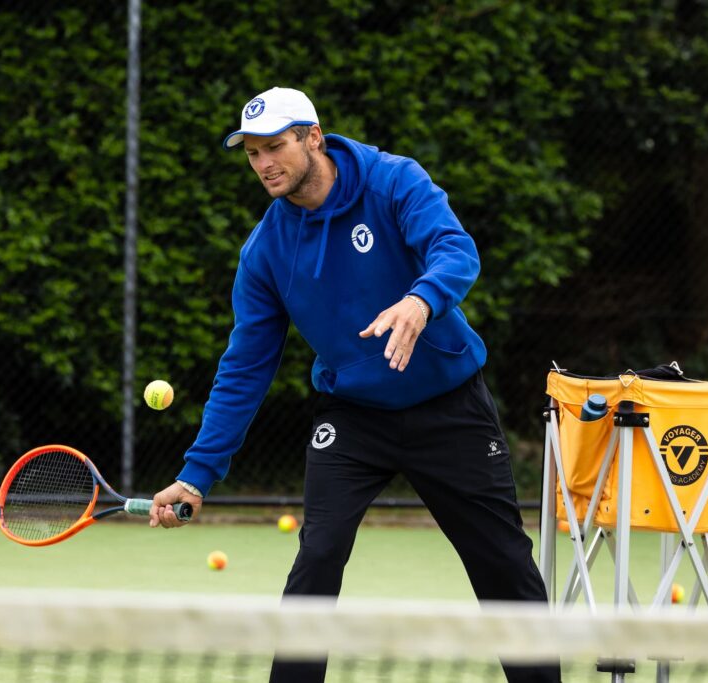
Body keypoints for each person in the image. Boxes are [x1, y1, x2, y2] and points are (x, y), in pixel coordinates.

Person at [149, 87, 560, 683]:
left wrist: (421, 301)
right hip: (353, 417)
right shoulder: (266, 250)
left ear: (313, 137)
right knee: (316, 557)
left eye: (276, 147)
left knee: (501, 562)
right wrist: (197, 473)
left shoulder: (394, 181)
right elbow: (245, 365)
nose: (264, 163)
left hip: (449, 406)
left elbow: (455, 250)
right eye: (253, 153)